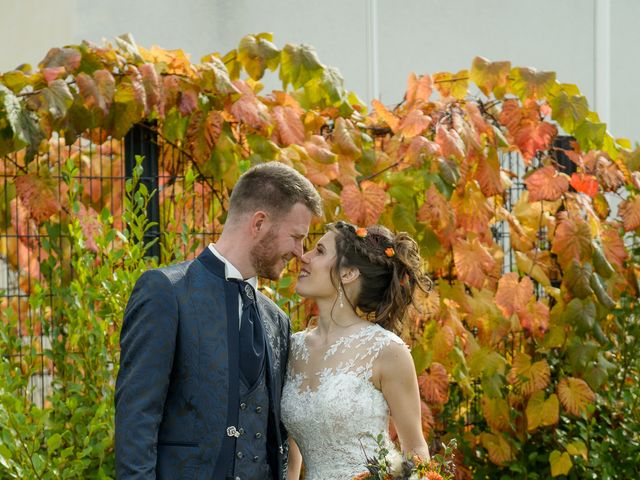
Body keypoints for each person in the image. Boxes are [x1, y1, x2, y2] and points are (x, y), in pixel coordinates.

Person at [115, 161, 322, 480]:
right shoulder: (167, 292)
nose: (300, 252)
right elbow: (136, 420)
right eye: (296, 237)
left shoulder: (276, 319)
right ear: (259, 223)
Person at [281, 221, 432, 480]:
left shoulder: (387, 351)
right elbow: (289, 452)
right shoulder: (292, 347)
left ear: (348, 273)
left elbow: (415, 449)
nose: (304, 257)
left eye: (319, 251)